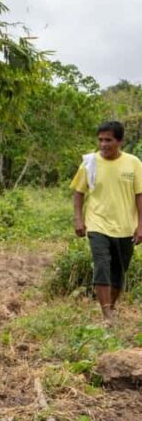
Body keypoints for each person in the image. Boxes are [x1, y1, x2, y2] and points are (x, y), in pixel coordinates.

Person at [71, 120, 142, 324]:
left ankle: (111, 306)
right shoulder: (90, 163)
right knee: (101, 265)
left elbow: (140, 195)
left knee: (119, 272)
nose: (103, 144)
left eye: (108, 140)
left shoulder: (134, 163)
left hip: (125, 227)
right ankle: (107, 315)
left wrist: (140, 225)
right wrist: (78, 218)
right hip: (97, 225)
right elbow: (78, 193)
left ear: (119, 141)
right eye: (100, 140)